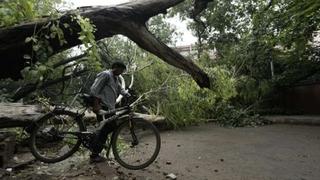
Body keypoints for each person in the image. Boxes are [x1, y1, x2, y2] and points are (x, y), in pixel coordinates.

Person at [89, 61, 130, 163]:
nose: (121, 72)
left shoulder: (115, 79)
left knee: (109, 127)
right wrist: (96, 105)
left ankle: (96, 143)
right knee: (107, 128)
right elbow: (94, 89)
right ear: (115, 67)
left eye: (122, 70)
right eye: (120, 69)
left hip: (109, 108)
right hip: (102, 107)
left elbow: (120, 89)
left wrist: (128, 95)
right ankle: (94, 154)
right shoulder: (106, 75)